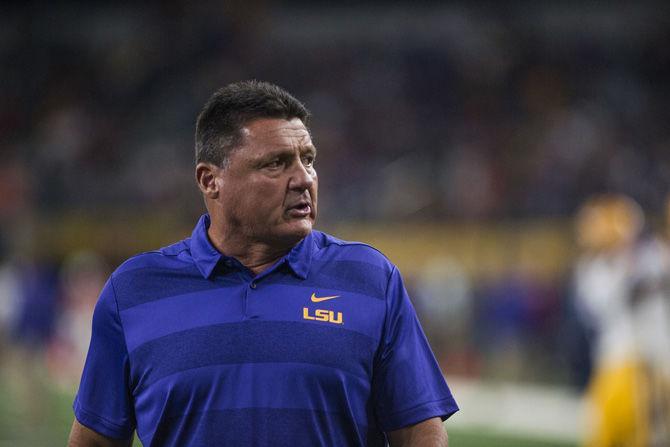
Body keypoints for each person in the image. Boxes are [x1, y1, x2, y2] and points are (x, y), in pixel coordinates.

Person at [68, 80, 458, 447]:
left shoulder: (371, 279)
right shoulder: (134, 290)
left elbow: (419, 432)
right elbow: (96, 439)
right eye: (276, 163)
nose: (303, 178)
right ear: (210, 180)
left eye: (308, 159)